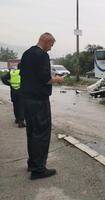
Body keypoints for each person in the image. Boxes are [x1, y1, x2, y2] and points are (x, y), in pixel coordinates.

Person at [19, 32, 64, 180]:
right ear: (46, 41)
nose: (51, 48)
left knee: (31, 133)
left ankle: (32, 163)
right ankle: (38, 170)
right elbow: (45, 79)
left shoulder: (27, 53)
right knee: (41, 134)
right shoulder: (42, 55)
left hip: (26, 100)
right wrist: (57, 79)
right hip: (39, 101)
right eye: (51, 45)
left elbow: (24, 72)